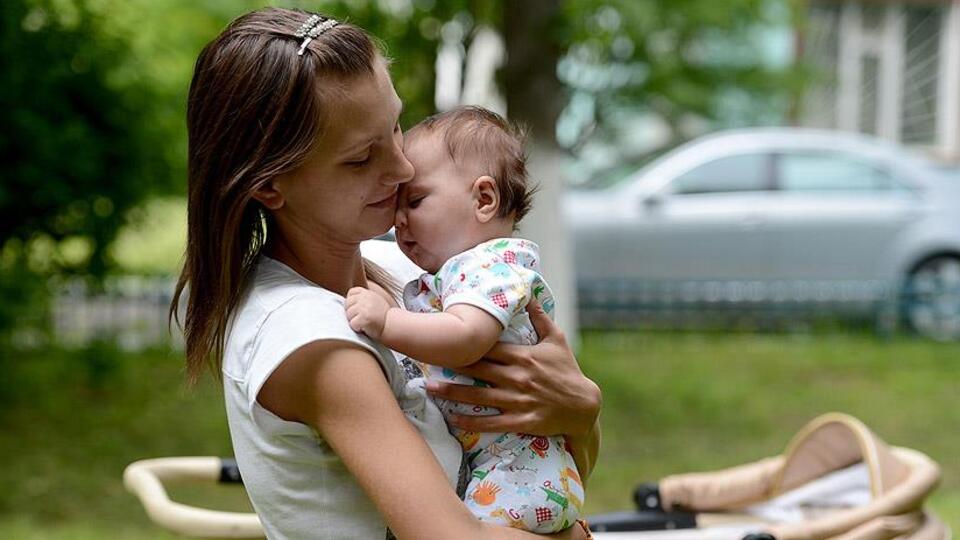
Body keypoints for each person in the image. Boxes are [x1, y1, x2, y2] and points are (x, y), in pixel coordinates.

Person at [171, 7, 601, 539]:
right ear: (269, 186)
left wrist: (581, 411)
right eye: (360, 159)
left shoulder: (410, 269)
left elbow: (560, 455)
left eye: (395, 126)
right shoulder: (308, 337)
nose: (401, 168)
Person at [345, 106, 583, 533]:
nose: (399, 220)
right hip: (506, 463)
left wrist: (386, 323)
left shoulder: (491, 267)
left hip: (515, 472)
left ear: (484, 199)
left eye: (415, 201)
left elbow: (465, 336)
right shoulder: (455, 273)